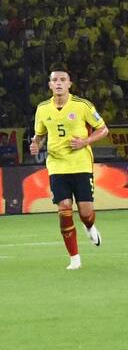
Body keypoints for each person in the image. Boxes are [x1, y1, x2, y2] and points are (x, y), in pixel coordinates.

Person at [29, 68, 108, 269]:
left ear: (69, 84)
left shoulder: (82, 105)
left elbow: (103, 129)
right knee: (64, 208)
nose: (58, 83)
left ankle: (89, 226)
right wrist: (36, 143)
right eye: (55, 80)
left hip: (81, 164)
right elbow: (40, 134)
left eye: (63, 79)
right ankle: (74, 258)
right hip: (57, 165)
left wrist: (85, 141)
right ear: (50, 85)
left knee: (86, 212)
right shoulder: (42, 108)